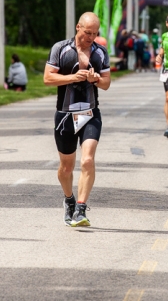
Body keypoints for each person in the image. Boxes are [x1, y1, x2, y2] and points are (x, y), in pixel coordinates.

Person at [44, 12, 111, 227]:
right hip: (65, 115)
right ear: (77, 27)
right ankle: (69, 200)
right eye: (87, 32)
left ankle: (81, 208)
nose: (91, 37)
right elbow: (48, 78)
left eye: (95, 33)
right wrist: (74, 77)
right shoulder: (60, 49)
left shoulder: (100, 53)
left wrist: (96, 79)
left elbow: (106, 83)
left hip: (90, 113)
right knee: (66, 168)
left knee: (88, 159)